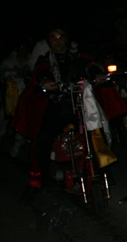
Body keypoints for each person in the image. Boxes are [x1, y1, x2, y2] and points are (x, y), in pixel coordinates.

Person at [15, 28, 103, 196]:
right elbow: (40, 74)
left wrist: (97, 74)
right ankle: (39, 180)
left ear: (67, 39)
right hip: (56, 108)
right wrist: (45, 82)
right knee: (42, 140)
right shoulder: (45, 60)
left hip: (80, 107)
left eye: (61, 36)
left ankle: (97, 173)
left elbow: (88, 66)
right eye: (53, 37)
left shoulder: (76, 57)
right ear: (48, 41)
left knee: (96, 133)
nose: (57, 40)